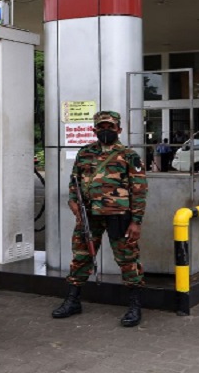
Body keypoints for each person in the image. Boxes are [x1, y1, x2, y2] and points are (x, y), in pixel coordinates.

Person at [51, 110, 148, 327]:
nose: (106, 131)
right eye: (101, 127)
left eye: (110, 127)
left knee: (127, 259)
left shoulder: (129, 155)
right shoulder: (85, 153)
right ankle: (73, 300)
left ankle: (134, 305)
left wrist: (136, 221)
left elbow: (139, 190)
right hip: (89, 215)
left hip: (119, 216)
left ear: (119, 130)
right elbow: (74, 180)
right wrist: (73, 201)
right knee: (81, 257)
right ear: (94, 130)